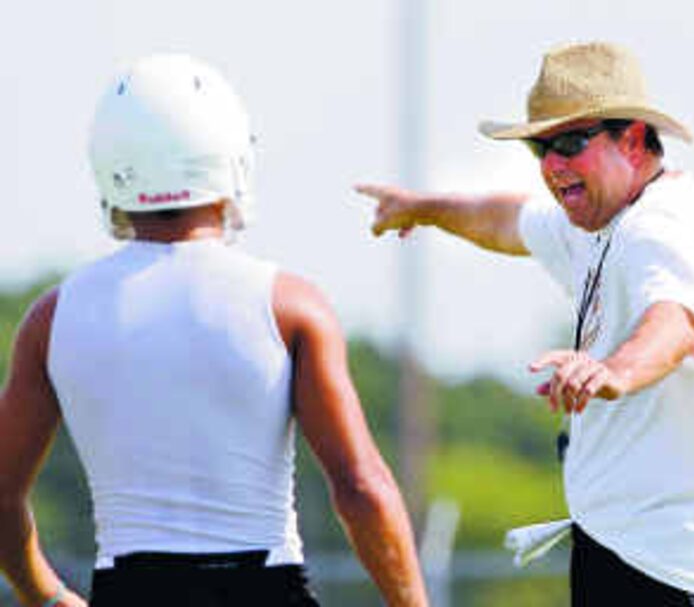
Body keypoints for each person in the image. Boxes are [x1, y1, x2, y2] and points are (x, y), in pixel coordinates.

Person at [357, 41, 694, 605]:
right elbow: (507, 221)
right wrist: (424, 207)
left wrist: (614, 372)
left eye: (571, 143)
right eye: (540, 148)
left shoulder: (662, 228)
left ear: (632, 140)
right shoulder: (603, 221)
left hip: (678, 571)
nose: (553, 165)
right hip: (633, 553)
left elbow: (674, 324)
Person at [0, 54, 429, 607]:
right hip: (265, 587)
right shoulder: (289, 305)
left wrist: (47, 596)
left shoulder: (52, 318)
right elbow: (361, 487)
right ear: (231, 158)